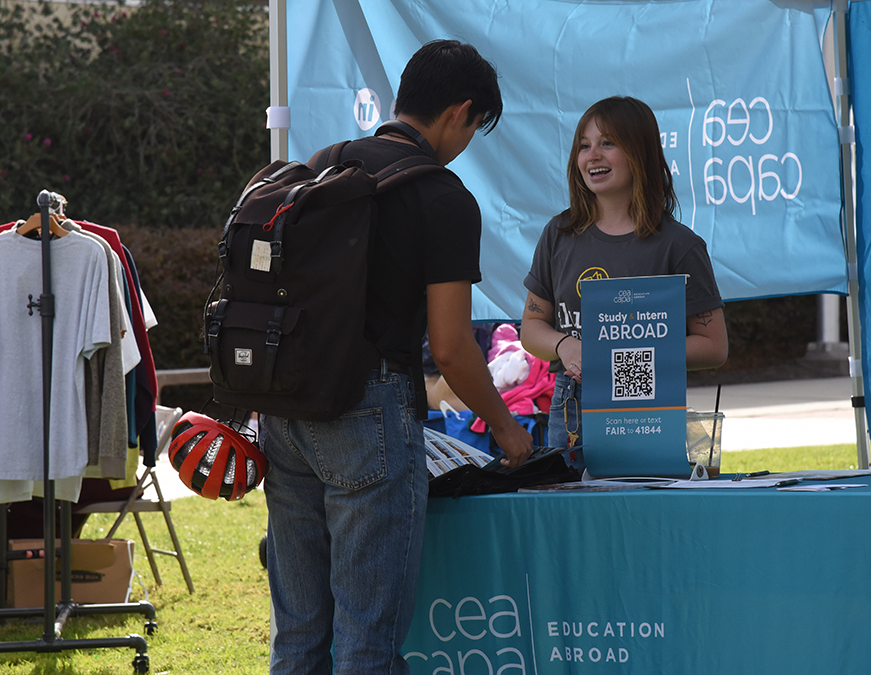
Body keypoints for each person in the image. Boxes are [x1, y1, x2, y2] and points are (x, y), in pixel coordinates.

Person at [259, 40, 532, 674]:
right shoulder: (441, 196)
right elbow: (454, 349)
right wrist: (506, 428)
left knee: (298, 634)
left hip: (287, 414)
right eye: (473, 130)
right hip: (369, 419)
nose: (465, 144)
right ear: (460, 112)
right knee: (367, 639)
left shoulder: (324, 167)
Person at [520, 96, 728, 469]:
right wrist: (565, 345)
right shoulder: (558, 234)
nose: (592, 155)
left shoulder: (679, 246)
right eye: (584, 146)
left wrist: (632, 357)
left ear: (641, 152)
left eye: (608, 143)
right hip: (571, 407)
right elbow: (532, 327)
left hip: (645, 407)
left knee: (643, 518)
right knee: (575, 523)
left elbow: (714, 346)